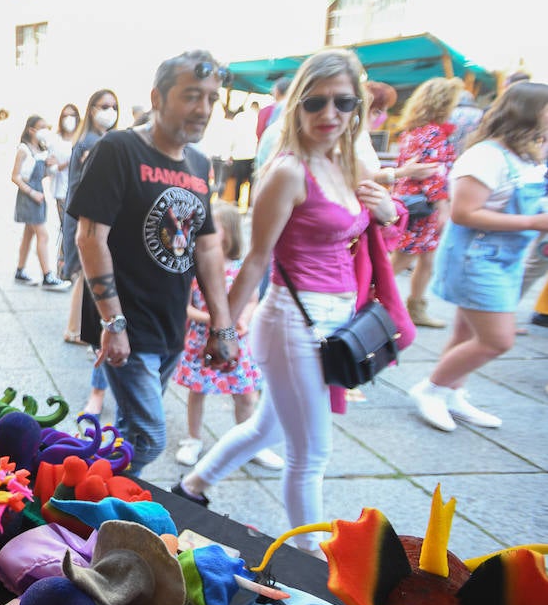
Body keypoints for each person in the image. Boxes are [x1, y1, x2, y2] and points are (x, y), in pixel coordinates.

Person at [177, 49, 405, 557]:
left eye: (343, 102)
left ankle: (192, 486)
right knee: (312, 454)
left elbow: (375, 231)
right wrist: (223, 329)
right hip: (293, 322)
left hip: (336, 319)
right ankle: (313, 560)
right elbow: (256, 260)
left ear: (359, 107)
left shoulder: (347, 162)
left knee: (267, 427)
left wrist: (388, 211)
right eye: (316, 102)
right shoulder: (288, 172)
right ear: (297, 106)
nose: (330, 114)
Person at [70, 50, 240, 470]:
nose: (203, 109)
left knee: (131, 434)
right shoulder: (119, 149)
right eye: (191, 96)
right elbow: (89, 238)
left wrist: (222, 325)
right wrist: (113, 323)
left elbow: (206, 246)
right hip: (127, 323)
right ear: (157, 98)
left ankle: (107, 500)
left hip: (170, 326)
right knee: (149, 439)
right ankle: (78, 487)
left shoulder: (198, 163)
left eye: (211, 98)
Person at [410, 82, 548, 432]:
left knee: (466, 333)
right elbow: (463, 213)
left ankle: (450, 393)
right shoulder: (486, 156)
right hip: (477, 258)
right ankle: (431, 389)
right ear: (530, 112)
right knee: (496, 339)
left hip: (503, 258)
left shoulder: (525, 154)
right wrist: (533, 222)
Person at [171, 202, 274, 469]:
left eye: (211, 227)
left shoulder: (241, 268)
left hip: (236, 341)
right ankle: (193, 438)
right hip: (201, 340)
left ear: (229, 232)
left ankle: (249, 442)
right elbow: (185, 307)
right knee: (197, 391)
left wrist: (244, 319)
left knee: (246, 394)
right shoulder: (193, 268)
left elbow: (252, 299)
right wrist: (216, 320)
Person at [389, 77, 462, 329]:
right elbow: (434, 174)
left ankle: (416, 307)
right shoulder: (433, 132)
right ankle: (367, 297)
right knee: (404, 258)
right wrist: (443, 207)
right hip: (424, 206)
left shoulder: (413, 131)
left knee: (424, 258)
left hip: (412, 201)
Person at [61, 90, 118, 345]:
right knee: (85, 273)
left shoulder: (92, 140)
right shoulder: (93, 142)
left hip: (81, 213)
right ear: (92, 109)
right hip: (85, 216)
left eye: (113, 107)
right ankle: (74, 329)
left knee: (85, 274)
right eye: (104, 106)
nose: (110, 112)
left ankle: (76, 328)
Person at [12, 116, 70, 290]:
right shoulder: (23, 149)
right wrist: (32, 193)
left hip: (38, 194)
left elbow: (43, 174)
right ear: (31, 130)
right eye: (42, 127)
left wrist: (57, 165)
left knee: (29, 235)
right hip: (29, 196)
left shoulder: (41, 150)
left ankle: (20, 271)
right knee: (43, 235)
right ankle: (47, 276)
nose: (46, 130)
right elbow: (15, 176)